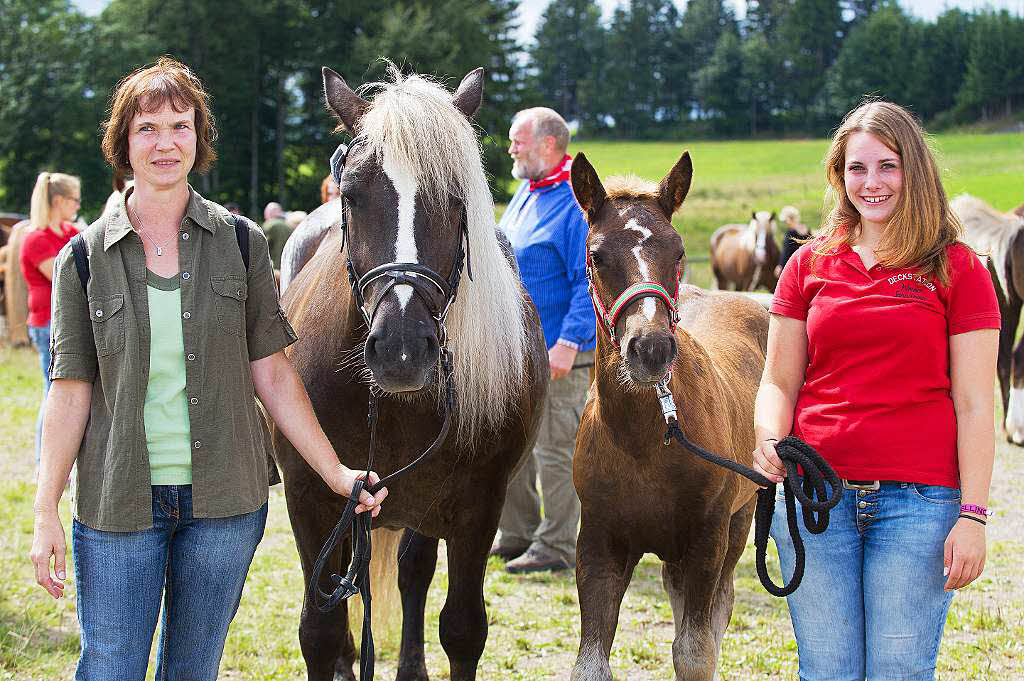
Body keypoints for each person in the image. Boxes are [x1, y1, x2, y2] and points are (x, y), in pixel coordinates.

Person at [28, 57, 387, 681]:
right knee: (110, 667)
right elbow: (70, 390)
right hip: (117, 503)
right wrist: (44, 511)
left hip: (225, 502)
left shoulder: (243, 243)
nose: (166, 142)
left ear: (199, 136)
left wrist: (335, 473)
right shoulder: (82, 259)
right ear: (123, 141)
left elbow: (273, 373)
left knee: (193, 671)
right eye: (148, 128)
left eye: (180, 125)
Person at [752, 101, 999, 681]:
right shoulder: (808, 264)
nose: (872, 183)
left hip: (919, 506)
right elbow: (779, 380)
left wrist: (974, 516)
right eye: (857, 169)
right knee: (828, 670)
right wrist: (768, 436)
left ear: (913, 169)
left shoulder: (957, 268)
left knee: (898, 670)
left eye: (887, 166)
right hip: (816, 500)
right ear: (839, 176)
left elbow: (974, 403)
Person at [492, 107, 595, 574]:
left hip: (558, 351)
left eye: (519, 140)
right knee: (509, 445)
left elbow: (585, 281)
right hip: (514, 351)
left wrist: (570, 341)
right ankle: (515, 533)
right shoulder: (524, 194)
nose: (511, 148)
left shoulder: (577, 202)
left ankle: (556, 546)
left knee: (554, 449)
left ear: (549, 145)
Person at [20, 172, 81, 462]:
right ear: (58, 201)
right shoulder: (37, 240)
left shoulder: (70, 235)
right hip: (47, 323)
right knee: (53, 393)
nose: (77, 206)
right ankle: (45, 461)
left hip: (66, 323)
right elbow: (66, 278)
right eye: (74, 200)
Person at [775, 204, 809, 278]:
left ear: (789, 219)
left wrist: (780, 265)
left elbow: (786, 251)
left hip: (792, 267)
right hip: (806, 267)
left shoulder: (791, 233)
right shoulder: (806, 230)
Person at [261, 201, 291, 270]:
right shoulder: (289, 226)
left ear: (269, 213)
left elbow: (261, 248)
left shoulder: (269, 225)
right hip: (287, 268)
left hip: (274, 270)